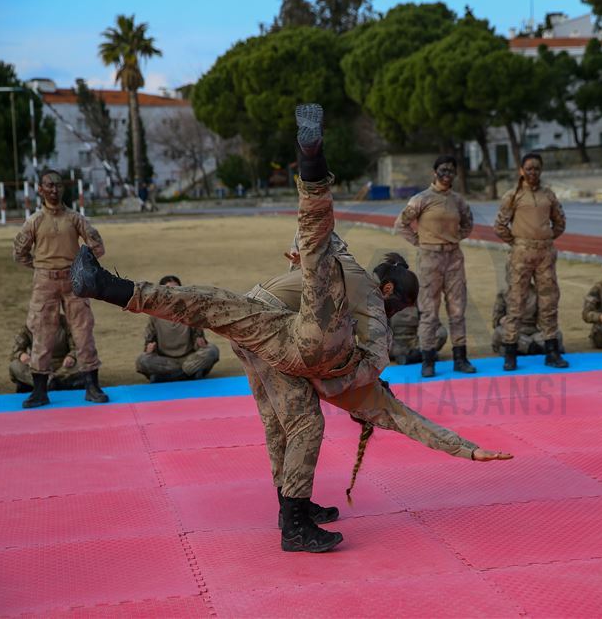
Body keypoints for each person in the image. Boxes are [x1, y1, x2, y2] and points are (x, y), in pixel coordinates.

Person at [73, 104, 512, 554]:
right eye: (401, 302)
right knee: (301, 416)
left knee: (211, 310)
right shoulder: (369, 302)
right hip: (306, 340)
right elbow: (392, 393)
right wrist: (461, 446)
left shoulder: (347, 269)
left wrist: (464, 447)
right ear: (388, 288)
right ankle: (294, 521)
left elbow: (313, 238)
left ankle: (107, 287)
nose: (399, 311)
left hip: (263, 328)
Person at [12, 168, 109, 408]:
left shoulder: (75, 219)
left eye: (58, 185)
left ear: (63, 188)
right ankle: (39, 390)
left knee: (83, 330)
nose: (54, 189)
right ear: (40, 189)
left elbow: (97, 245)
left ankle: (92, 386)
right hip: (45, 282)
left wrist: (82, 265)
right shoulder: (34, 221)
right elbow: (19, 252)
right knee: (42, 333)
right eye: (49, 185)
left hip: (74, 280)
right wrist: (39, 267)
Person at [394, 156, 476, 377]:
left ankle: (461, 358)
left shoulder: (458, 201)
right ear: (434, 173)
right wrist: (419, 242)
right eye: (443, 170)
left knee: (457, 309)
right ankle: (428, 360)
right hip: (430, 258)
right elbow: (401, 224)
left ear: (455, 174)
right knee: (429, 311)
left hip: (454, 257)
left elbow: (468, 223)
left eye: (451, 170)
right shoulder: (421, 199)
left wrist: (456, 237)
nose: (447, 174)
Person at [493, 152, 568, 371]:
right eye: (529, 168)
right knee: (516, 302)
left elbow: (560, 222)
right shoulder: (513, 196)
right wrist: (517, 242)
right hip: (521, 253)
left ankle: (552, 350)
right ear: (521, 171)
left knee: (549, 301)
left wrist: (546, 238)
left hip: (545, 253)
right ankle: (510, 352)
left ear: (541, 170)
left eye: (536, 168)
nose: (533, 172)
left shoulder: (549, 195)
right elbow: (500, 225)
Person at [135, 275, 220, 382]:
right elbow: (149, 343)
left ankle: (170, 376)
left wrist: (200, 345)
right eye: (168, 289)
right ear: (161, 291)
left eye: (176, 289)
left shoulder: (190, 312)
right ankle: (188, 374)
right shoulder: (154, 315)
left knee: (212, 351)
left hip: (189, 359)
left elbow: (199, 340)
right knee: (142, 360)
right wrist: (149, 349)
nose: (172, 292)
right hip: (166, 361)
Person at [9, 314, 86, 392]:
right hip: (37, 367)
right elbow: (15, 351)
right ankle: (47, 383)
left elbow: (78, 347)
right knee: (15, 365)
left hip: (62, 367)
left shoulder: (67, 323)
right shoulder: (30, 325)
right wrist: (21, 355)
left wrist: (71, 356)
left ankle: (52, 382)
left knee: (84, 362)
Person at [492, 277, 546, 357]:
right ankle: (531, 348)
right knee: (499, 331)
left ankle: (525, 348)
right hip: (513, 331)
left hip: (533, 333)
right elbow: (496, 322)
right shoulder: (504, 293)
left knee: (555, 334)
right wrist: (502, 320)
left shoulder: (538, 292)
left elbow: (545, 321)